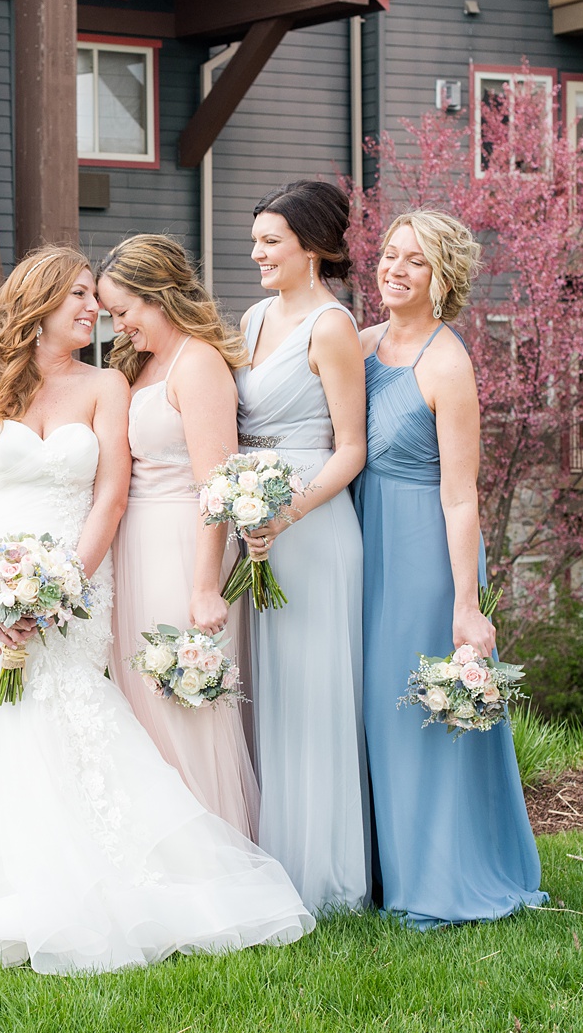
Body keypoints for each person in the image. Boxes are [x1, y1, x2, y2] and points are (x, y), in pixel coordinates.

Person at [0, 247, 314, 974]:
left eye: (97, 300)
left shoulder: (110, 383)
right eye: (79, 296)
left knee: (73, 712)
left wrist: (67, 583)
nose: (93, 310)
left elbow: (110, 493)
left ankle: (97, 877)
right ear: (39, 301)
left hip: (78, 582)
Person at [356, 211, 546, 928]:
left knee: (417, 716)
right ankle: (376, 870)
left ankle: (435, 878)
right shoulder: (361, 343)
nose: (393, 269)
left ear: (442, 279)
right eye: (387, 255)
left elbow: (461, 493)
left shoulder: (448, 361)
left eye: (414, 261)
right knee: (373, 711)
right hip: (363, 543)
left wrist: (466, 605)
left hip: (426, 555)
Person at [234, 180, 371, 913]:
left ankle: (326, 873)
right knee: (264, 692)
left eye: (270, 241)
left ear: (312, 248)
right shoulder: (253, 316)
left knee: (312, 695)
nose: (256, 252)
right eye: (255, 239)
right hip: (251, 526)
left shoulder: (332, 326)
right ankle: (267, 858)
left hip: (312, 530)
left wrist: (286, 513)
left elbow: (350, 448)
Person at [96, 234, 260, 839]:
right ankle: (161, 848)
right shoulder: (137, 367)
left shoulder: (199, 364)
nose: (120, 326)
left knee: (184, 697)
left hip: (184, 548)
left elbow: (214, 486)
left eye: (124, 312)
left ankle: (212, 847)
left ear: (157, 296)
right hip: (135, 545)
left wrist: (204, 588)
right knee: (142, 701)